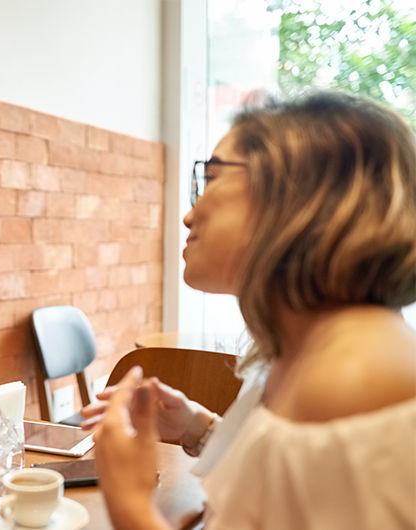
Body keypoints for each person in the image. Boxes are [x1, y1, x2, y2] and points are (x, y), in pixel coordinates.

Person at [83, 92, 416, 529]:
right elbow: (291, 481)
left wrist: (128, 500)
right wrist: (196, 427)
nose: (188, 215)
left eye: (212, 179)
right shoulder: (316, 350)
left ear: (301, 196)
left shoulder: (353, 378)